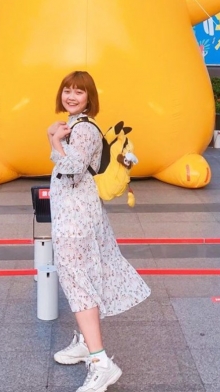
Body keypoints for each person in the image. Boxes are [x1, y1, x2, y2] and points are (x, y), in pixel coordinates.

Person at [47, 71, 150, 392]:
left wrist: (53, 140)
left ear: (89, 98)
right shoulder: (77, 125)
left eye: (79, 92)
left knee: (77, 283)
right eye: (67, 90)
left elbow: (73, 169)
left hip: (75, 219)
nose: (71, 96)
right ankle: (84, 342)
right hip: (77, 212)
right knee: (86, 276)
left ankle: (101, 363)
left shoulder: (83, 129)